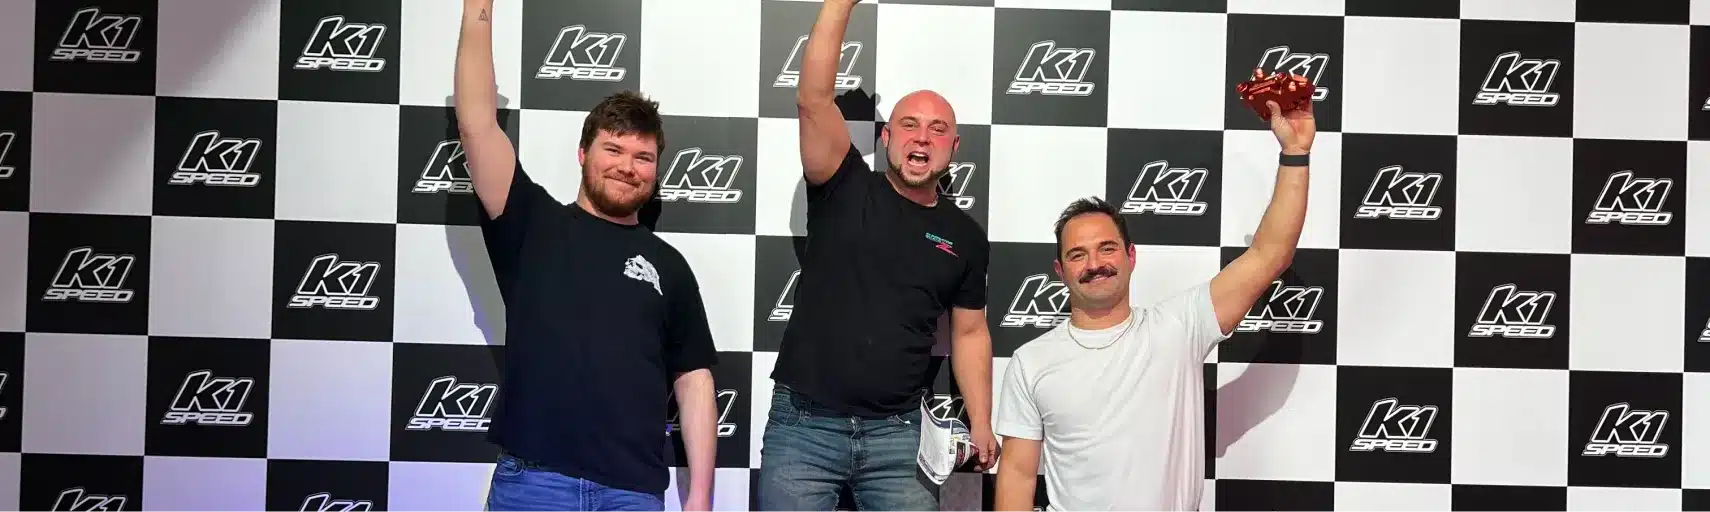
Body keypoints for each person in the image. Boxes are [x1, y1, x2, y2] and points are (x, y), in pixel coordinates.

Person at [991, 91, 1316, 512]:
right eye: (1078, 254)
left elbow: (1269, 254)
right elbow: (1017, 474)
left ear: (1131, 256)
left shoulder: (1179, 326)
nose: (1094, 264)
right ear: (1061, 270)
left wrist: (1294, 153)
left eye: (1107, 249)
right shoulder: (1030, 362)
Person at [454, 1, 719, 511]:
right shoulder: (531, 222)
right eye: (613, 150)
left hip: (632, 493)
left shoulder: (670, 266)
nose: (627, 167)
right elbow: (477, 127)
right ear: (583, 154)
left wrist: (700, 499)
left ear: (656, 170)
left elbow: (695, 380)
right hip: (535, 486)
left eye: (643, 157)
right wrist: (478, 10)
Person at [754, 0, 997, 509]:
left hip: (900, 438)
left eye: (937, 130)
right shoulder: (842, 183)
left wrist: (981, 421)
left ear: (955, 147)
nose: (921, 138)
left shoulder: (966, 237)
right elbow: (814, 100)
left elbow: (970, 332)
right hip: (804, 429)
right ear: (886, 137)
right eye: (909, 124)